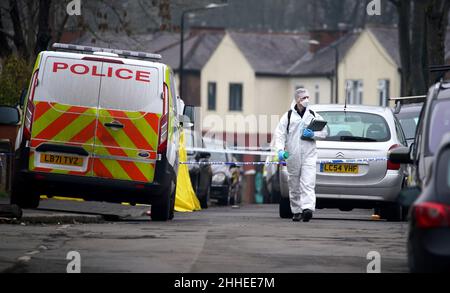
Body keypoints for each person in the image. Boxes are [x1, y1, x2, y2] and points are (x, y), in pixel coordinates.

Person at [274, 88, 327, 222]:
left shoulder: (314, 115)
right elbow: (280, 135)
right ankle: (297, 211)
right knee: (294, 184)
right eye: (304, 98)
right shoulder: (288, 116)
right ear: (297, 99)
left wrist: (313, 134)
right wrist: (280, 150)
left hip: (309, 155)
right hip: (292, 155)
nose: (306, 100)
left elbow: (325, 132)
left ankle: (307, 209)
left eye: (307, 97)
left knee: (308, 183)